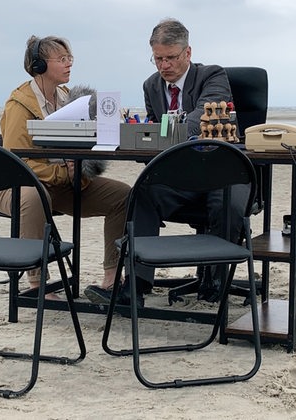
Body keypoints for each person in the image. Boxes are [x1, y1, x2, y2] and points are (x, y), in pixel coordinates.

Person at [85, 18, 250, 306]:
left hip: (222, 172)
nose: (164, 66)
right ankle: (136, 286)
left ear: (188, 53)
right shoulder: (151, 86)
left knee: (226, 204)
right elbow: (152, 131)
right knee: (141, 195)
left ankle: (214, 280)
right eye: (158, 59)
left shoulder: (213, 75)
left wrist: (155, 133)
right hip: (178, 175)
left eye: (171, 58)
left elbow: (196, 125)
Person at [0, 35, 129, 295]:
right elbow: (16, 160)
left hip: (57, 183)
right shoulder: (19, 104)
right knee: (34, 197)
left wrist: (81, 170)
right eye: (61, 59)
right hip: (13, 183)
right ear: (39, 65)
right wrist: (63, 172)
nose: (68, 64)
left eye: (69, 58)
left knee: (123, 196)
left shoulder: (70, 99)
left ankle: (111, 278)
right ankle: (38, 284)